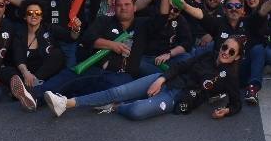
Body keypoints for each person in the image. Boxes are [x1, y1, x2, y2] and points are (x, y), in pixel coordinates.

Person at [42, 37, 244, 120]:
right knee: (117, 91)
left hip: (176, 98)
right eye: (225, 47)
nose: (225, 52)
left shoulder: (230, 78)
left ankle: (115, 107)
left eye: (231, 51)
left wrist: (226, 111)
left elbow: (237, 103)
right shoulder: (208, 55)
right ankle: (66, 103)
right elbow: (182, 65)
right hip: (164, 80)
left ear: (237, 57)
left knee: (137, 111)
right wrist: (161, 79)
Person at [4, 0, 66, 110]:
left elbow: (71, 36)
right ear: (24, 16)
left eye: (37, 13)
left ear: (42, 16)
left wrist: (76, 30)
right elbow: (18, 56)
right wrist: (25, 72)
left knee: (58, 54)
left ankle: (28, 89)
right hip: (24, 72)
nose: (34, 16)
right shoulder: (19, 33)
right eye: (29, 13)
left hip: (42, 75)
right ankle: (24, 89)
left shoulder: (50, 29)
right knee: (5, 69)